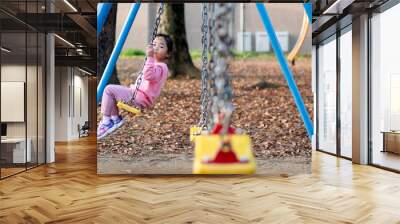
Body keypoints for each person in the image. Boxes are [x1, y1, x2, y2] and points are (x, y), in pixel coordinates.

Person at [97, 34, 173, 139]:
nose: (155, 47)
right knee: (113, 94)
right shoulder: (154, 64)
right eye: (154, 44)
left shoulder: (162, 67)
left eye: (161, 46)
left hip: (139, 97)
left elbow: (148, 75)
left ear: (168, 54)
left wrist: (150, 57)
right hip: (137, 93)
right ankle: (115, 119)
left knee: (108, 89)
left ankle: (106, 123)